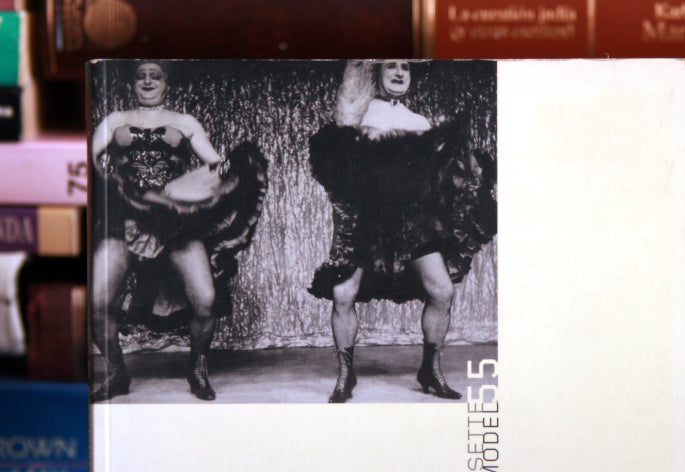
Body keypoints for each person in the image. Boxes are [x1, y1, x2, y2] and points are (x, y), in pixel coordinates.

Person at [309, 60, 496, 403]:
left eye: (405, 68)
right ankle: (345, 375)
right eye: (391, 67)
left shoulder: (420, 122)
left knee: (441, 290)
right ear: (376, 74)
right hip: (366, 217)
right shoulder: (356, 114)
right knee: (343, 293)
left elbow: (434, 178)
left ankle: (431, 371)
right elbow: (339, 161)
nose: (398, 73)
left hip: (412, 219)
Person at [90, 61, 267, 401]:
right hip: (125, 218)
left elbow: (214, 164)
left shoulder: (185, 122)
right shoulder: (113, 120)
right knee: (97, 300)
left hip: (174, 220)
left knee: (205, 299)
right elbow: (86, 157)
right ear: (131, 83)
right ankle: (115, 372)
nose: (147, 81)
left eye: (155, 76)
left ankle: (197, 368)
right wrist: (110, 184)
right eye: (140, 76)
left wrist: (232, 170)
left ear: (166, 83)